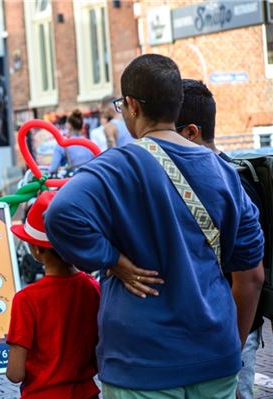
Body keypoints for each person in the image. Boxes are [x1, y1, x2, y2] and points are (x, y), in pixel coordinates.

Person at [45, 54, 264, 397]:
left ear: (132, 105)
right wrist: (229, 347)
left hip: (142, 360)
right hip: (215, 357)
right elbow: (251, 276)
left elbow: (60, 214)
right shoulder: (226, 173)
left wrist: (113, 260)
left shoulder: (116, 167)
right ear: (176, 105)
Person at [174, 79, 265, 399]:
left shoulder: (228, 185)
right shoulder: (233, 179)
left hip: (233, 327)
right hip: (226, 327)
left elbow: (251, 275)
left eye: (169, 134)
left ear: (190, 133)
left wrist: (233, 345)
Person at [6, 191, 101, 399]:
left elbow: (15, 373)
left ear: (37, 251)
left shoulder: (27, 300)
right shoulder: (93, 288)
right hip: (87, 393)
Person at [48, 109, 95, 174]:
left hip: (76, 180)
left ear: (69, 125)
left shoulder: (62, 144)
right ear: (81, 125)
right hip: (92, 178)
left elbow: (52, 169)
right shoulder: (90, 143)